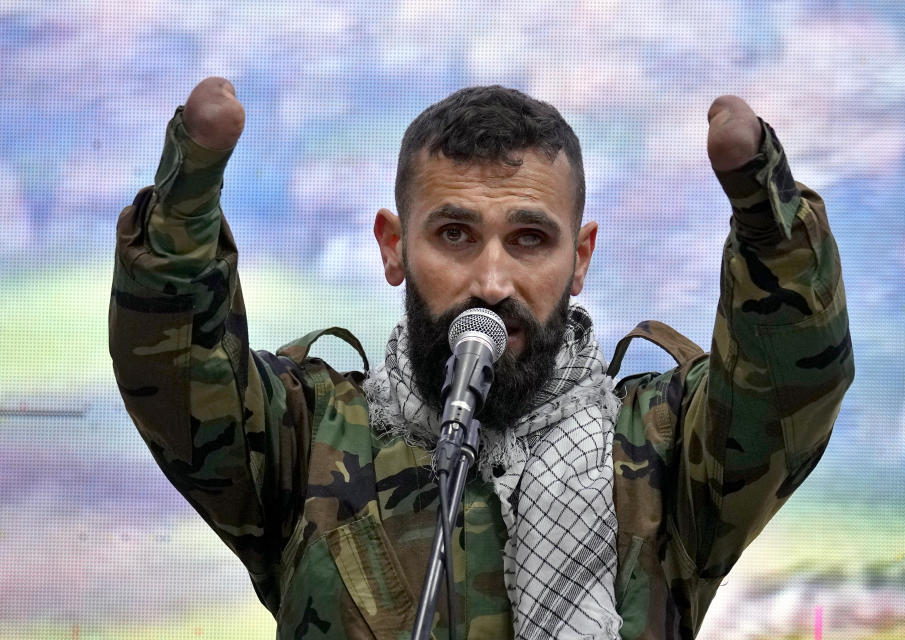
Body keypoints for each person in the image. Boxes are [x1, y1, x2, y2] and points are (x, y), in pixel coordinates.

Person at [109, 77, 854, 640]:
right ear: (394, 246)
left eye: (529, 239)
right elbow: (182, 376)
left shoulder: (657, 447)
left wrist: (770, 222)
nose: (492, 282)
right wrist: (184, 209)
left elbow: (785, 387)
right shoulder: (311, 438)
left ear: (580, 257)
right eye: (455, 235)